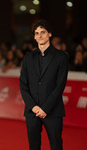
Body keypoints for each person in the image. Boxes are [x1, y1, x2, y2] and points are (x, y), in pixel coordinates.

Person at [19, 19, 68, 150]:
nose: (40, 35)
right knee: (33, 146)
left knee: (56, 145)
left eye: (43, 32)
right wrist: (33, 106)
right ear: (34, 37)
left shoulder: (61, 57)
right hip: (32, 111)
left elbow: (60, 86)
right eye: (36, 33)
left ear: (50, 34)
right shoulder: (28, 58)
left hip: (53, 110)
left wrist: (45, 108)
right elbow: (23, 85)